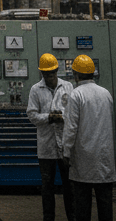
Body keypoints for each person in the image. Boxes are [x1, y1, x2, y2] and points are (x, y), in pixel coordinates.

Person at [62, 53, 114, 221]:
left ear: (76, 74)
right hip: (104, 158)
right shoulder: (106, 93)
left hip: (83, 159)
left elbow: (71, 127)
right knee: (105, 206)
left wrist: (66, 152)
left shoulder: (76, 94)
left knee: (83, 206)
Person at [27, 52, 74, 221]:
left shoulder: (68, 87)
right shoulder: (35, 89)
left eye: (52, 73)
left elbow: (75, 114)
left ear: (57, 70)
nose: (50, 76)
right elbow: (32, 115)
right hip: (46, 147)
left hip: (65, 146)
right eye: (46, 74)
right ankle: (48, 218)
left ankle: (72, 216)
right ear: (42, 73)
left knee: (70, 186)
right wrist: (48, 117)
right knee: (47, 187)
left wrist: (62, 118)